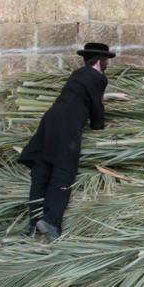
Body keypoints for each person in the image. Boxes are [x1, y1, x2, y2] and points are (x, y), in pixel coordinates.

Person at [17, 42, 121, 241]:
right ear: (99, 61)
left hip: (50, 122)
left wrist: (111, 96)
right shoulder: (98, 77)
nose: (107, 63)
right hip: (68, 126)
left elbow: (83, 97)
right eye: (106, 60)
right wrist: (99, 126)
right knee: (63, 172)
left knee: (42, 169)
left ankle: (33, 223)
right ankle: (51, 221)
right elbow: (96, 107)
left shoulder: (78, 75)